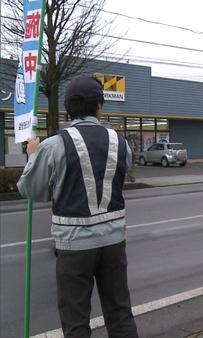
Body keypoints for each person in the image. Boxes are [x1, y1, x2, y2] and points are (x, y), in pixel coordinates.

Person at [17, 75, 138, 338]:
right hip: (114, 243)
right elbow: (123, 170)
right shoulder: (120, 142)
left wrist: (32, 156)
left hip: (73, 247)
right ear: (99, 106)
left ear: (67, 110)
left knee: (76, 322)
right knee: (120, 314)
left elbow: (32, 190)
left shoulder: (52, 145)